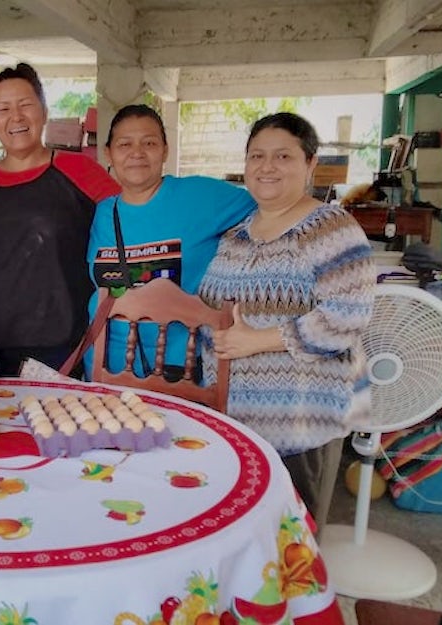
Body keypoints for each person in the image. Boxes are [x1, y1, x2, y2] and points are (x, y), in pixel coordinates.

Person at [198, 112, 375, 532]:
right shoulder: (238, 235)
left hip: (300, 422)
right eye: (257, 155)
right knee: (247, 539)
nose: (267, 166)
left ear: (310, 164)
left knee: (295, 540)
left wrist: (257, 340)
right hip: (237, 421)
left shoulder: (330, 229)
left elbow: (346, 317)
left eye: (283, 155)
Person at [0, 64, 119, 377]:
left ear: (45, 111)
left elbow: (130, 223)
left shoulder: (81, 172)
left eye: (26, 105)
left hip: (63, 347)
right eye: (4, 109)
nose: (16, 117)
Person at [85, 104, 255, 378]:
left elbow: (270, 205)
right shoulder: (104, 212)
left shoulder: (200, 197)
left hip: (175, 373)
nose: (136, 153)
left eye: (149, 143)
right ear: (109, 153)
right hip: (104, 370)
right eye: (124, 144)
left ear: (165, 149)